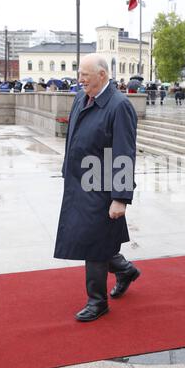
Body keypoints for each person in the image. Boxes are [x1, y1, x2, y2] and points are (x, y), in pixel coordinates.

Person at [54, 54, 140, 322]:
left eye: (85, 75)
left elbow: (125, 154)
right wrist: (67, 166)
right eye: (80, 74)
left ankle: (97, 301)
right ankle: (124, 270)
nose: (80, 79)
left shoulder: (119, 106)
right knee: (88, 237)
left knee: (92, 242)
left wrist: (120, 198)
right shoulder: (82, 97)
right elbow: (73, 137)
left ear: (102, 75)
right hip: (79, 182)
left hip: (102, 185)